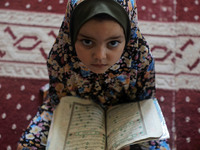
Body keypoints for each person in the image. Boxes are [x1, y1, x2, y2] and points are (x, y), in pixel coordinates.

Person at [17, 0, 170, 149]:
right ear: (71, 34)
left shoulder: (139, 59)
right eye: (87, 42)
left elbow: (143, 104)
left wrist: (127, 141)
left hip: (125, 115)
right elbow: (59, 99)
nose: (100, 56)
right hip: (73, 109)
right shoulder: (62, 56)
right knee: (27, 146)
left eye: (113, 43)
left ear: (128, 38)